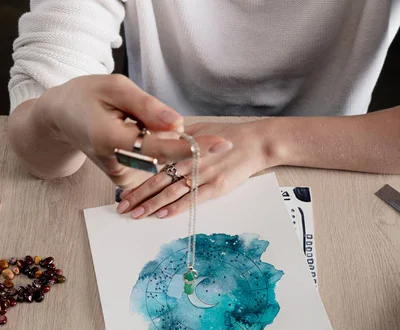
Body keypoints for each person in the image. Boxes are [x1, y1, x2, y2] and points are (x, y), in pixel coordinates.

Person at [8, 0, 400, 220]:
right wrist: (54, 114)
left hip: (340, 162)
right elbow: (39, 146)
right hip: (154, 156)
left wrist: (266, 142)